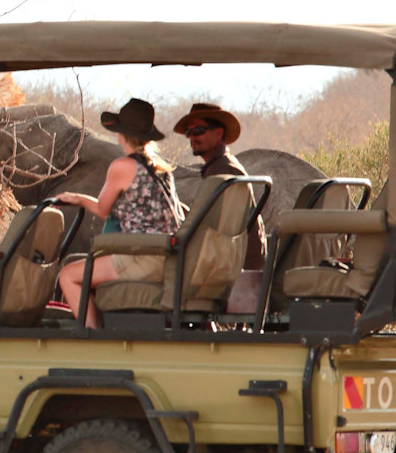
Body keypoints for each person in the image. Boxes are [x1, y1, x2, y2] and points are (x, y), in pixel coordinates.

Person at [54, 98, 185, 327]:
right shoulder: (162, 170)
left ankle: (92, 338)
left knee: (68, 276)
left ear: (120, 134)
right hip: (166, 258)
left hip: (140, 257)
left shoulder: (122, 167)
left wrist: (77, 199)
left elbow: (103, 210)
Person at [174, 102, 266, 271]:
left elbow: (215, 230)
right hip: (237, 257)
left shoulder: (222, 171)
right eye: (189, 133)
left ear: (218, 133)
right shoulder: (221, 166)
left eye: (198, 131)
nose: (192, 138)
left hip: (234, 263)